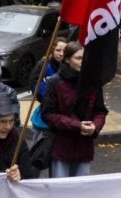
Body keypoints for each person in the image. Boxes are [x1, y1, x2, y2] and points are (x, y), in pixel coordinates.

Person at [41, 41, 108, 178]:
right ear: (67, 59)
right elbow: (48, 115)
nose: (83, 62)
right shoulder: (55, 82)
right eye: (78, 58)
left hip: (84, 149)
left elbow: (100, 111)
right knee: (60, 193)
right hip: (61, 148)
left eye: (85, 58)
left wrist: (95, 126)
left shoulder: (93, 82)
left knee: (80, 193)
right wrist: (77, 125)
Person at [29, 37, 68, 101]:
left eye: (64, 51)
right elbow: (35, 85)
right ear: (52, 50)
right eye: (58, 50)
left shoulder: (70, 65)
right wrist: (54, 94)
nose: (61, 54)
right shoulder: (43, 65)